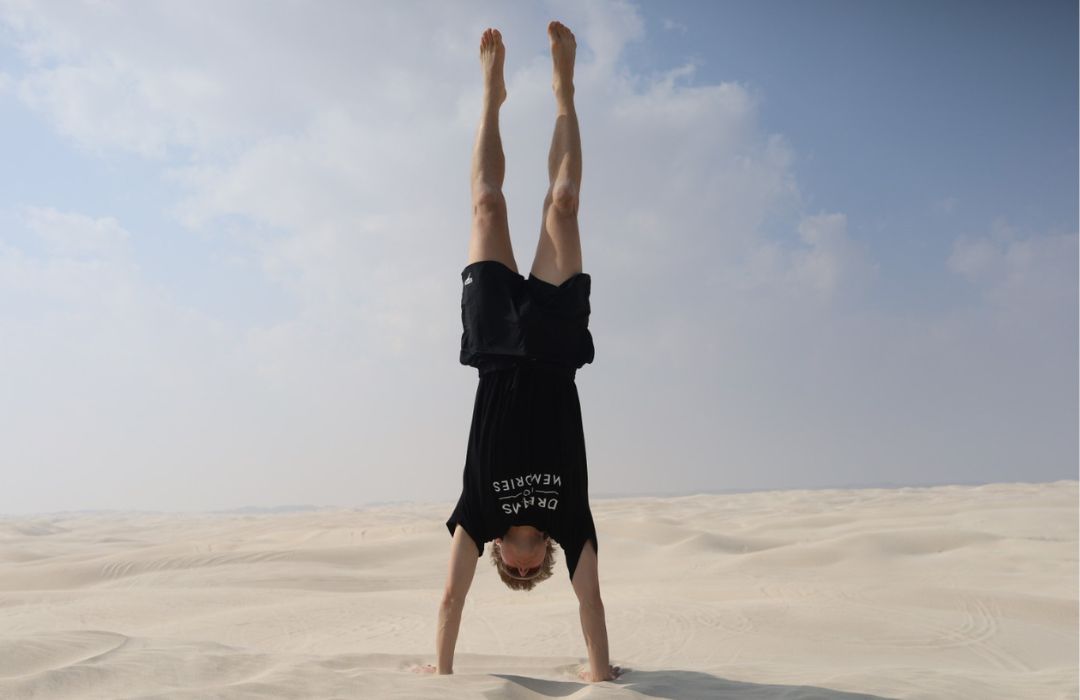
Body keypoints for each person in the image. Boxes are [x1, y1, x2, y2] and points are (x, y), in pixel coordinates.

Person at [414, 22, 622, 684]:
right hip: (557, 351)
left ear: (498, 553)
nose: (525, 563)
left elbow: (450, 600)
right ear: (548, 559)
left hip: (497, 351)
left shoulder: (477, 517)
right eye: (535, 570)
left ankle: (490, 95)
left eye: (514, 568)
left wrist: (440, 675)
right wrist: (601, 676)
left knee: (487, 203)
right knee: (563, 206)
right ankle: (564, 91)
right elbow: (591, 600)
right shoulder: (571, 520)